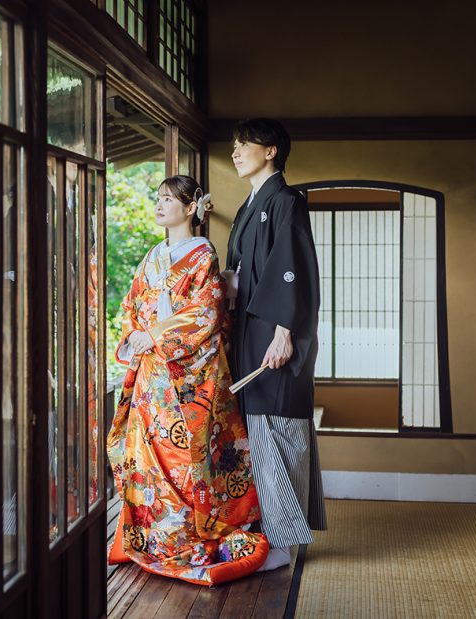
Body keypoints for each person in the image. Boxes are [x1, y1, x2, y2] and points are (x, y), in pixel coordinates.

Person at [107, 175, 268, 586]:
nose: (160, 205)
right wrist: (138, 334)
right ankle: (151, 536)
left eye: (168, 199)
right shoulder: (152, 255)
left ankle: (184, 533)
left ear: (191, 207)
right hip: (151, 373)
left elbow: (207, 312)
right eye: (157, 198)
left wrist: (157, 334)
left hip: (187, 375)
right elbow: (132, 304)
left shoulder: (202, 255)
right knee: (146, 456)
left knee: (186, 459)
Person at [224, 118, 327, 572]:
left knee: (279, 429)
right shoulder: (251, 203)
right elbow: (244, 271)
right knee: (259, 431)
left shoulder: (286, 201)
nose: (235, 152)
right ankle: (267, 537)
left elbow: (293, 270)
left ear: (270, 152)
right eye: (233, 145)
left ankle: (281, 545)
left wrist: (286, 332)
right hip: (251, 333)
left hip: (274, 336)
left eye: (244, 145)